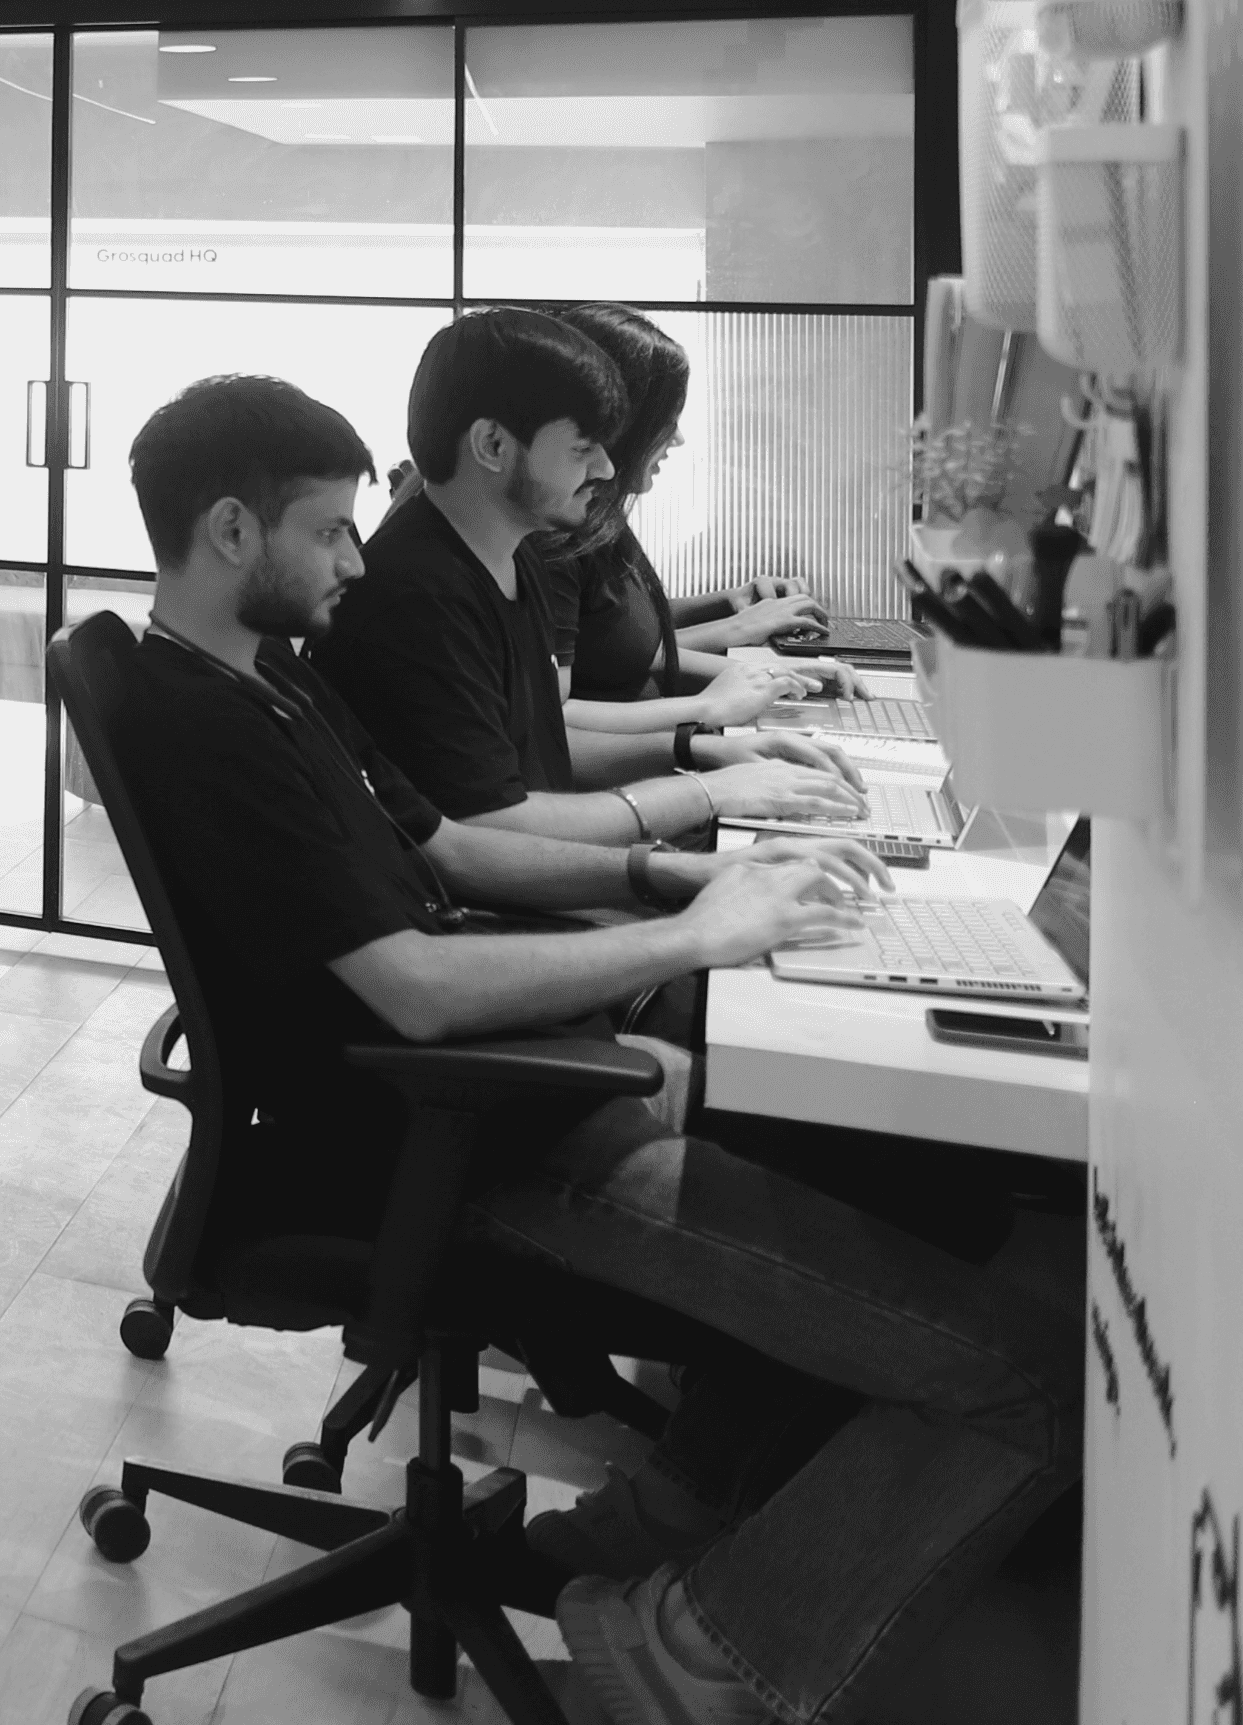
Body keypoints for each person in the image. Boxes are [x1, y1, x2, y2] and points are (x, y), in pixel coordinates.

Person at [107, 375, 1077, 1725]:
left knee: (847, 1164)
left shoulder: (271, 679)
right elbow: (418, 988)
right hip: (464, 1138)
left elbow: (445, 849)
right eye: (329, 530)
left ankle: (667, 1515)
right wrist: (689, 935)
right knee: (1026, 1385)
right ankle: (695, 1658)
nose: (355, 555)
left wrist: (682, 877)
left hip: (498, 1099)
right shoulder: (206, 727)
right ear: (228, 530)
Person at [322, 309, 862, 849]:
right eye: (584, 448)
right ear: (491, 445)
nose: (606, 468)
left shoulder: (514, 554)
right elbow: (488, 830)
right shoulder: (419, 595)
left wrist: (699, 751)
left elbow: (545, 743)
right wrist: (701, 800)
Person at [539, 304, 853, 743]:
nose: (679, 437)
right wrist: (710, 714)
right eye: (667, 419)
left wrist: (744, 631)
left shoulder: (597, 514)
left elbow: (621, 630)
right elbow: (553, 719)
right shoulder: (558, 531)